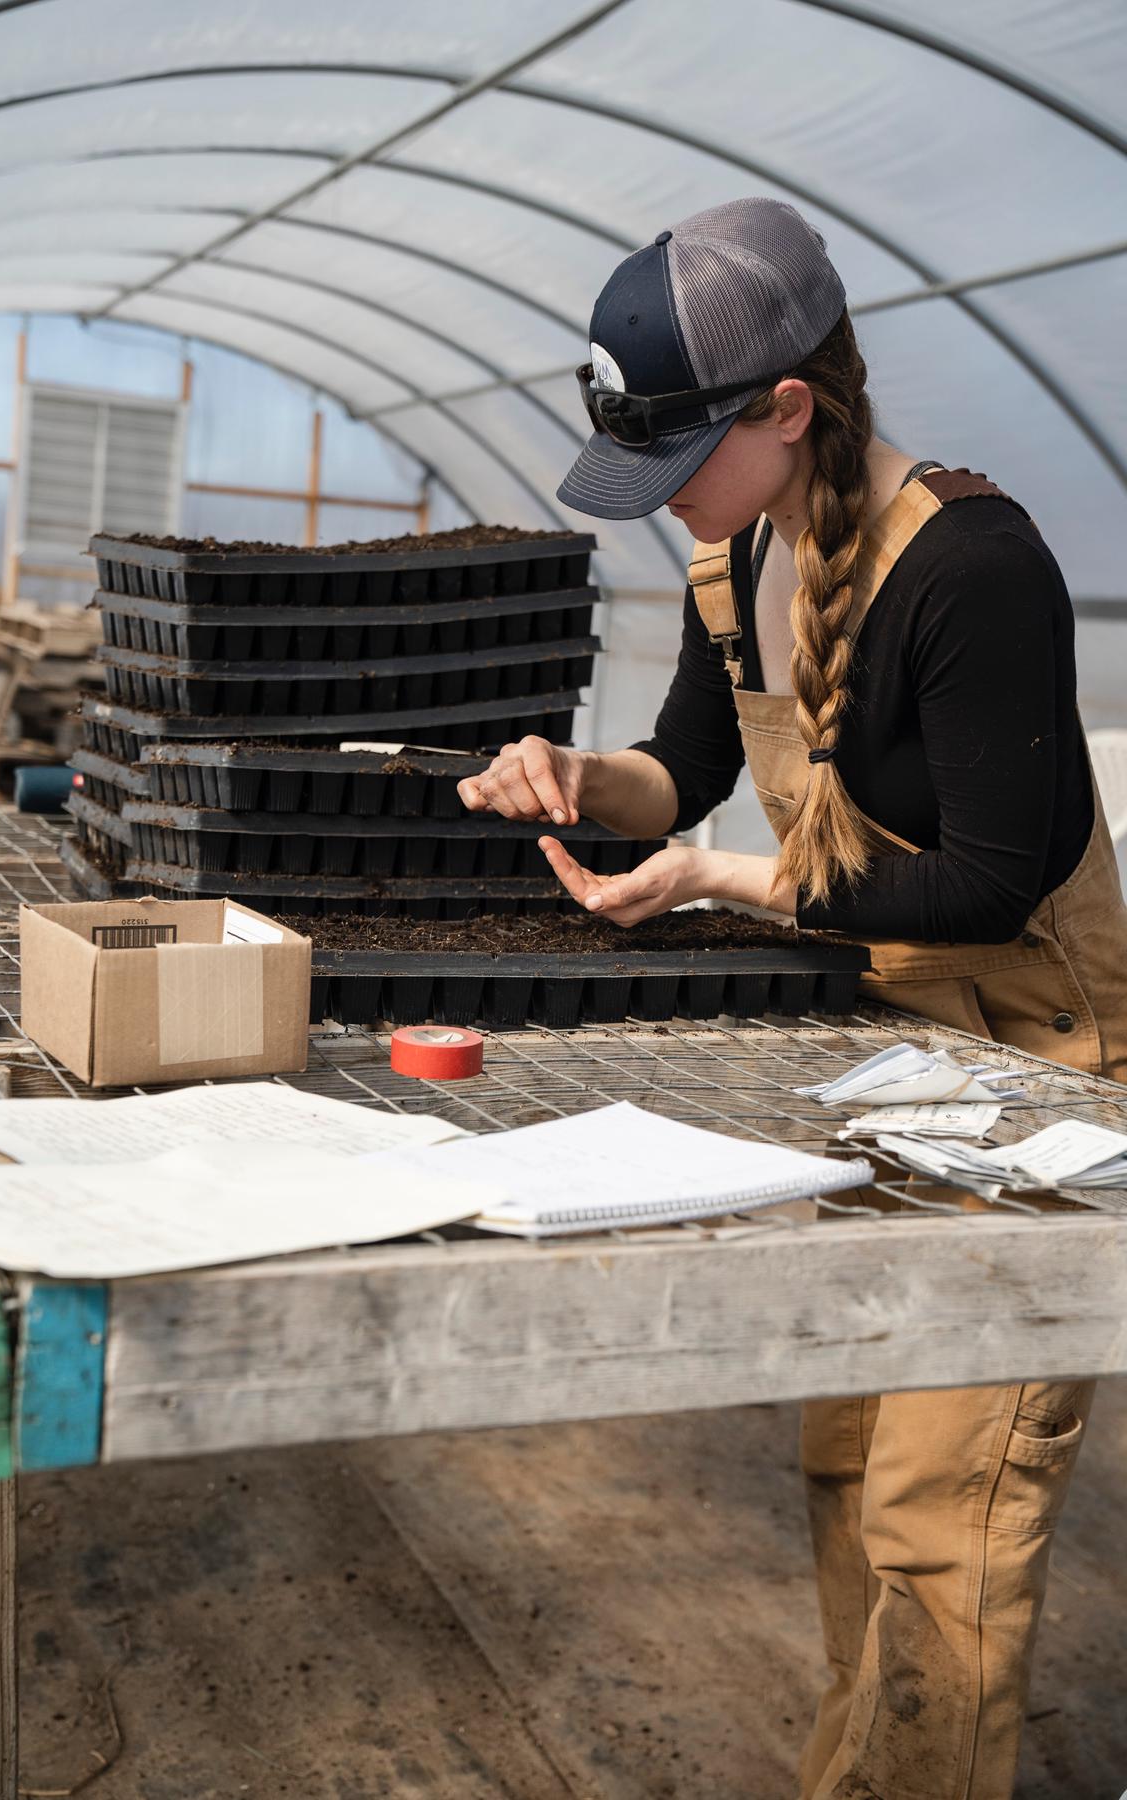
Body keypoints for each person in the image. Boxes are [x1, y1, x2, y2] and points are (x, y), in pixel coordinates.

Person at [457, 197, 1127, 1800]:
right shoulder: (738, 547)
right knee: (853, 1459)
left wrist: (709, 878)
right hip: (885, 1051)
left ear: (787, 407)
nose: (664, 502)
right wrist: (571, 778)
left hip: (1041, 1076)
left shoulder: (975, 566)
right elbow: (678, 774)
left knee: (942, 1512)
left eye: (680, 455)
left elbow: (980, 885)